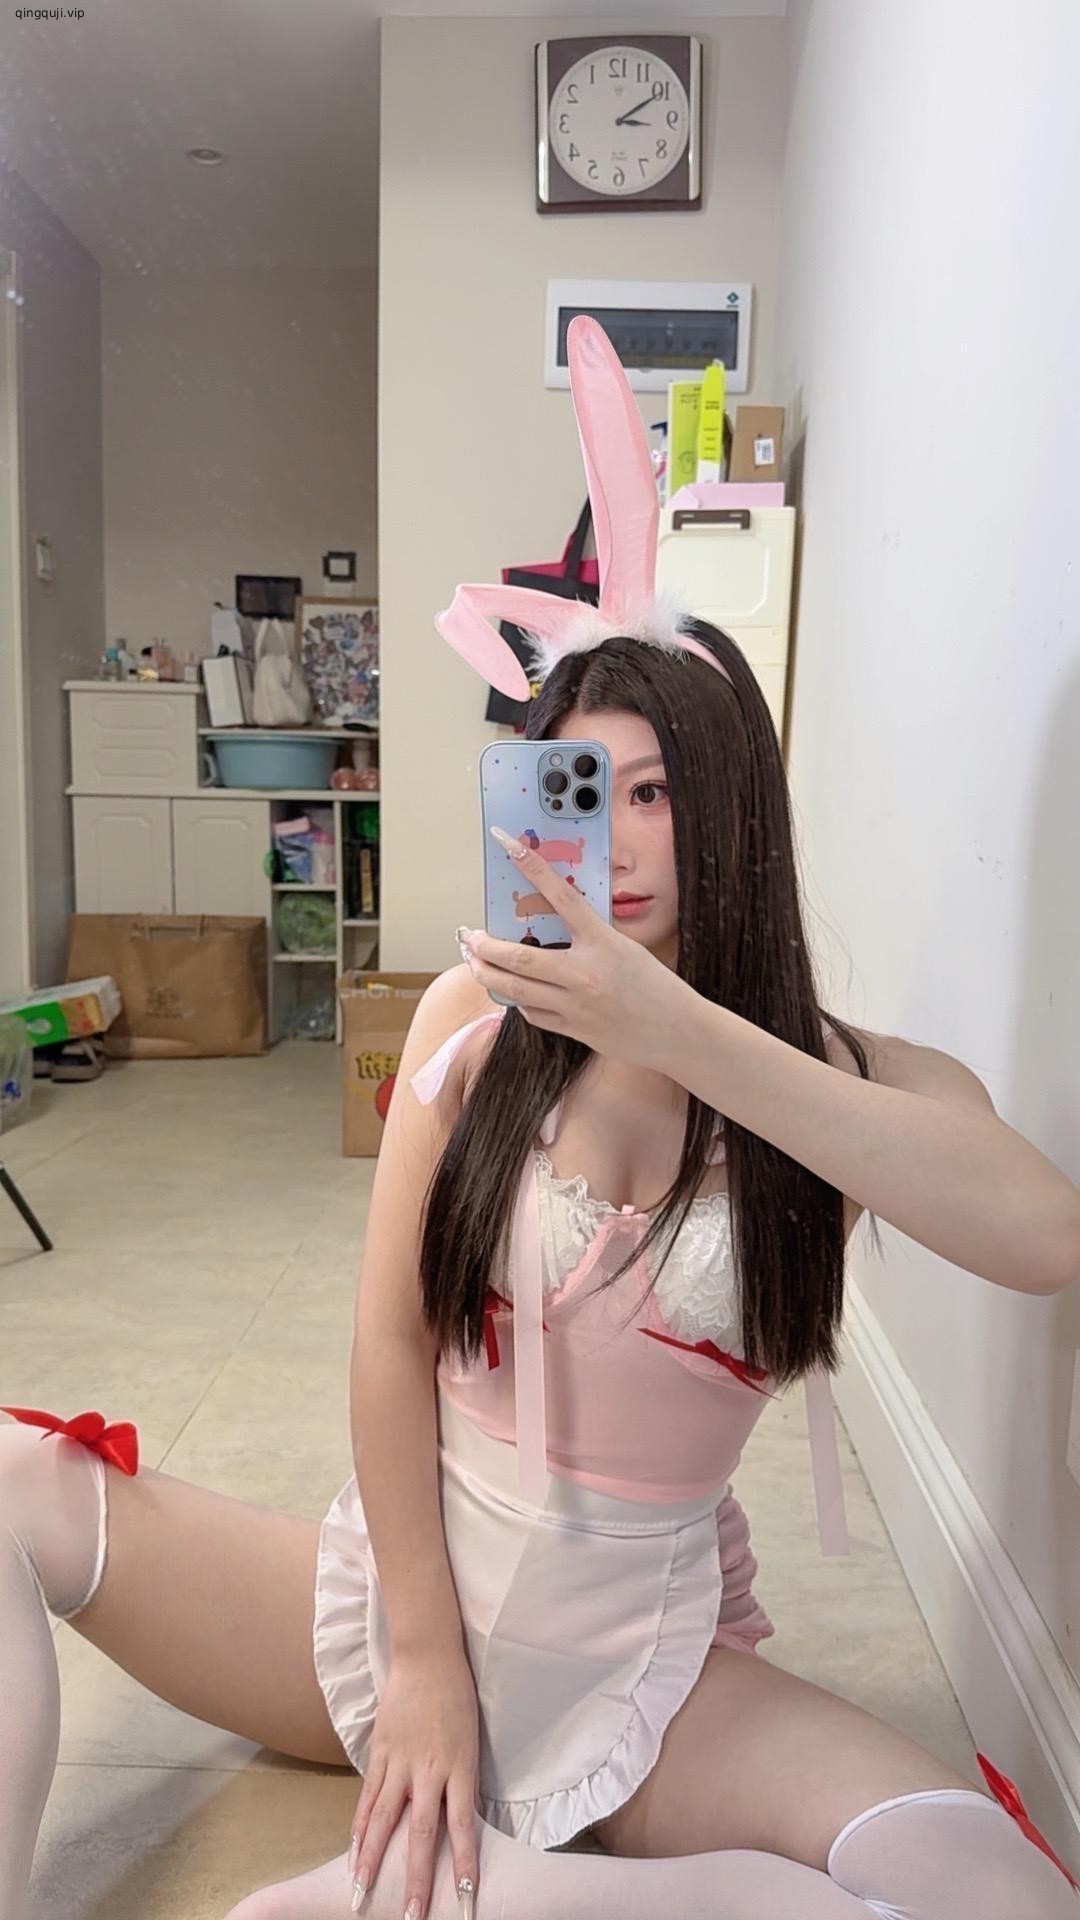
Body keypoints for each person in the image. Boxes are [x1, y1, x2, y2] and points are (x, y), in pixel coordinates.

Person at [2, 321, 1077, 1920]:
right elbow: (387, 1345)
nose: (619, 842)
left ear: (733, 812)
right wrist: (427, 1664)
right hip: (397, 1613)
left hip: (647, 1676)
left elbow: (1045, 1235)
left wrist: (689, 1034)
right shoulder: (469, 1026)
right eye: (578, 790)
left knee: (995, 1884)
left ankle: (492, 1887)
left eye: (657, 792)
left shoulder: (833, 1082)